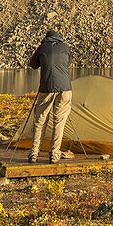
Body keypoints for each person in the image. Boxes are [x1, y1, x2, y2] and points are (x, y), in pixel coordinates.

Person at [27, 29, 73, 163]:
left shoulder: (42, 48)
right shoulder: (65, 47)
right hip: (65, 88)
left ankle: (34, 153)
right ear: (59, 38)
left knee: (40, 120)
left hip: (46, 87)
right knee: (59, 121)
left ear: (46, 38)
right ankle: (54, 154)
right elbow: (67, 64)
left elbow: (33, 65)